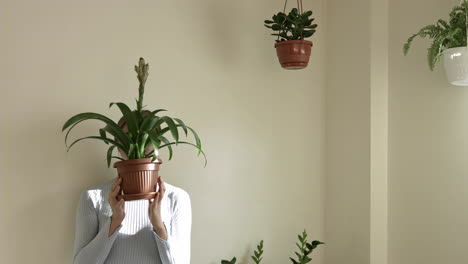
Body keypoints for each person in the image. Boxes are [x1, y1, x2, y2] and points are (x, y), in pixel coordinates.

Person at [72, 111, 192, 264]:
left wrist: (159, 226)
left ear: (158, 142)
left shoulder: (177, 197)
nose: (135, 145)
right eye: (127, 137)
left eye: (147, 138)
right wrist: (114, 222)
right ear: (117, 142)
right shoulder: (93, 197)